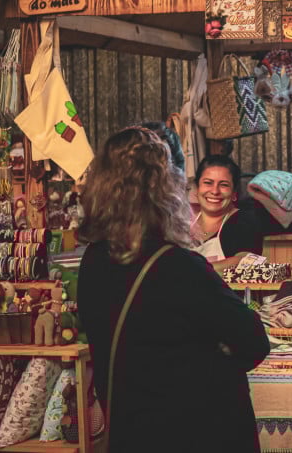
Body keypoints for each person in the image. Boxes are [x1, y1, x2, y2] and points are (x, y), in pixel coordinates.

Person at [77, 127, 270, 452]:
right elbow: (254, 341)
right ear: (165, 190)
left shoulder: (93, 261)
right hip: (192, 434)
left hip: (130, 434)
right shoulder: (178, 266)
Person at [191, 154, 265, 272]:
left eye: (224, 185)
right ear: (197, 188)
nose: (215, 191)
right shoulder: (183, 225)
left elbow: (245, 260)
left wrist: (192, 270)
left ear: (234, 193)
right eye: (208, 183)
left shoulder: (244, 222)